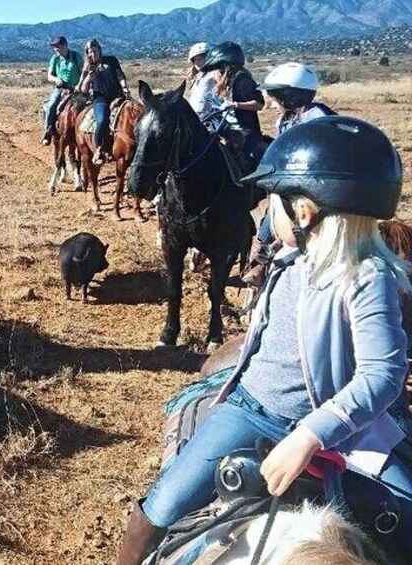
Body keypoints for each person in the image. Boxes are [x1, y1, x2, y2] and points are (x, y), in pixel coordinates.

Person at [117, 116, 412, 564]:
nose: (265, 211)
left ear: (305, 212)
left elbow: (384, 374)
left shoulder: (366, 277)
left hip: (341, 432)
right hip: (252, 410)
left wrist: (311, 435)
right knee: (158, 510)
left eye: (274, 199)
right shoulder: (292, 259)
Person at [242, 62, 336, 287]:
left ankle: (260, 258)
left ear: (289, 97)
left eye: (275, 99)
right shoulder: (285, 120)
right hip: (297, 179)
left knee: (275, 207)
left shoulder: (317, 118)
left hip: (316, 182)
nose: (272, 105)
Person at [201, 41, 264, 169]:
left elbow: (259, 104)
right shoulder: (224, 82)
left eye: (217, 68)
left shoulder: (242, 80)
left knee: (251, 162)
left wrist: (235, 105)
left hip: (243, 132)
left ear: (226, 66)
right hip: (224, 129)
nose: (214, 73)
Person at [77, 39, 129, 165]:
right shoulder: (88, 68)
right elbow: (82, 90)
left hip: (118, 97)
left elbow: (120, 76)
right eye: (90, 52)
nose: (93, 54)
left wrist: (125, 87)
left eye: (95, 51)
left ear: (100, 50)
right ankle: (99, 148)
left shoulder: (111, 60)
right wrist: (88, 79)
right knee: (102, 120)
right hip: (101, 99)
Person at [41, 36, 85, 146]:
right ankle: (48, 131)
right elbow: (49, 76)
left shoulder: (76, 56)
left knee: (88, 107)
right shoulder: (55, 59)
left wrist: (79, 85)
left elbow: (83, 73)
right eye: (54, 47)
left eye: (58, 46)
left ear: (65, 45)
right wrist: (56, 79)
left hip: (76, 89)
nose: (56, 49)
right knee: (52, 106)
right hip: (60, 88)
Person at [186, 42, 219, 117]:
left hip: (210, 117)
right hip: (197, 117)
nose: (197, 62)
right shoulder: (198, 77)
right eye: (195, 60)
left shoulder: (214, 73)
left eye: (200, 59)